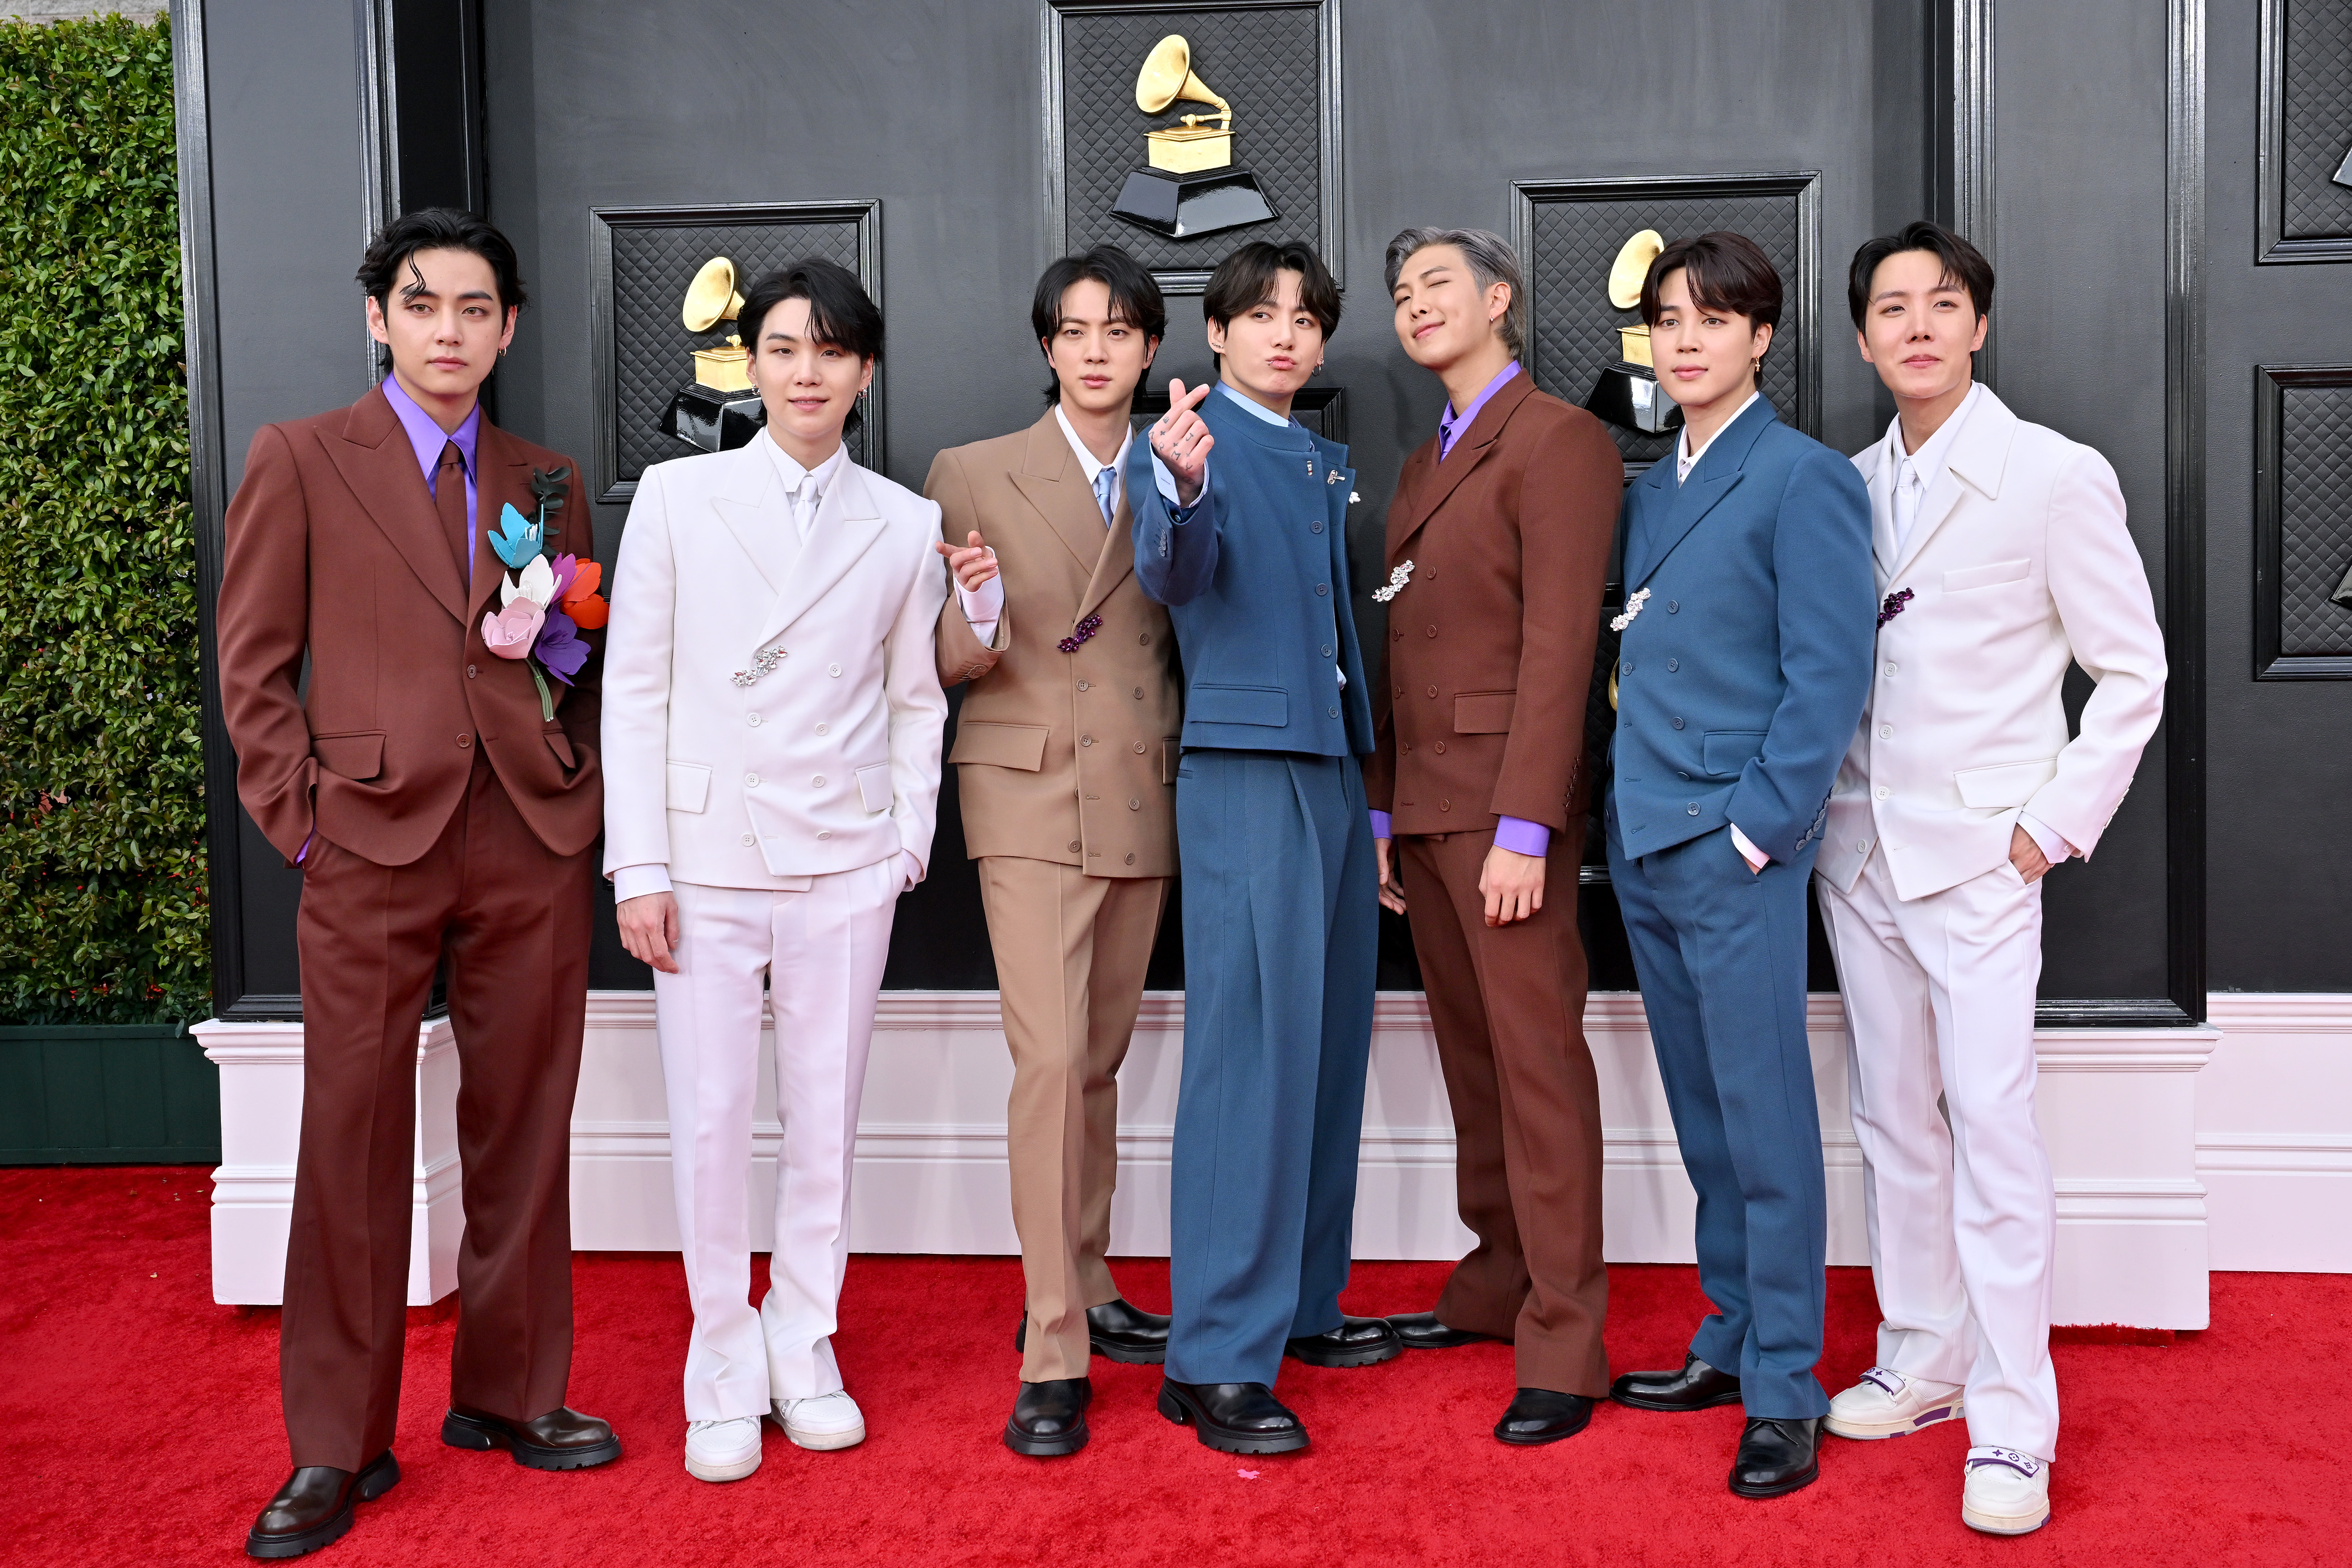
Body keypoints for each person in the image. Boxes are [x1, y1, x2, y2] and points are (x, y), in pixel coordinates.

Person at [218, 209, 618, 1559]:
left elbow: (566, 649)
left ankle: (509, 1395)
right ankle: (337, 1445)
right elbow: (253, 668)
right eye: (421, 304)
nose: (448, 330)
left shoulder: (545, 478)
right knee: (352, 1142)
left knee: (523, 1127)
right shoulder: (299, 459)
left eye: (475, 309)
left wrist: (569, 774)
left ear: (507, 328)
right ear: (378, 319)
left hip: (525, 839)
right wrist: (305, 826)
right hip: (366, 844)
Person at [1816, 221, 2165, 1536]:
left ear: (1978, 326)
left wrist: (2051, 825)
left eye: (1941, 303)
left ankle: (2018, 1425)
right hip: (1858, 853)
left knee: (1995, 1134)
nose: (1916, 324)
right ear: (1862, 338)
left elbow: (2133, 670)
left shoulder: (2053, 474)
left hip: (1979, 857)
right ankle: (1927, 1358)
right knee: (1894, 1124)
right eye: (1892, 307)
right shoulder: (1843, 486)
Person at [601, 260, 949, 1482]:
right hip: (700, 863)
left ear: (865, 370)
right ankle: (721, 1370)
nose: (808, 371)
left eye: (833, 350)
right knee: (707, 1126)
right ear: (753, 363)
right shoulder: (681, 499)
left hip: (847, 862)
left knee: (825, 1128)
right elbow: (633, 689)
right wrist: (637, 864)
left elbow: (918, 700)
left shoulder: (904, 524)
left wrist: (907, 837)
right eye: (786, 347)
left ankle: (806, 1347)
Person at [1601, 232, 1875, 1498]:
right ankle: (1725, 1334)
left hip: (1733, 843)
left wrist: (1761, 830)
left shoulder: (1804, 477)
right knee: (1706, 1116)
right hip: (1644, 835)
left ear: (1762, 337)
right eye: (1669, 319)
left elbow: (1831, 677)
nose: (1688, 338)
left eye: (1715, 318)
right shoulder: (1650, 485)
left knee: (1765, 1121)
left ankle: (1785, 1382)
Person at [1126, 239, 1392, 1455]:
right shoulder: (1187, 445)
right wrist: (1178, 490)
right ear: (1218, 334)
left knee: (1330, 1046)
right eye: (1261, 315)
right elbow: (1175, 575)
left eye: (1304, 317)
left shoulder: (1314, 453)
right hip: (1243, 771)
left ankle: (1302, 1304)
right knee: (1247, 1055)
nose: (1285, 333)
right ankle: (1215, 1358)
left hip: (1331, 767)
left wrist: (1369, 793)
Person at [927, 244, 1183, 1458]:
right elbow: (935, 658)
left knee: (1096, 1064)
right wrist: (975, 612)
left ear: (1148, 349)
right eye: (1074, 331)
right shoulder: (971, 474)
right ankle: (1052, 1345)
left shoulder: (1184, 465)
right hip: (1026, 796)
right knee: (1048, 1063)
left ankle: (1089, 1276)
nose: (1095, 350)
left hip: (1140, 789)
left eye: (1119, 330)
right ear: (1047, 348)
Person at [1365, 227, 1620, 1445]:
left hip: (1506, 820)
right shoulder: (1422, 462)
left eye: (1438, 286)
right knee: (1476, 1068)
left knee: (1537, 1071)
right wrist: (1384, 808)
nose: (1416, 305)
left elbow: (1565, 646)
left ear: (1499, 299)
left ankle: (1567, 1339)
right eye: (1401, 292)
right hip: (1425, 812)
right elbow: (1398, 650)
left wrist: (1531, 824)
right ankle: (1494, 1281)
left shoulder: (1560, 441)